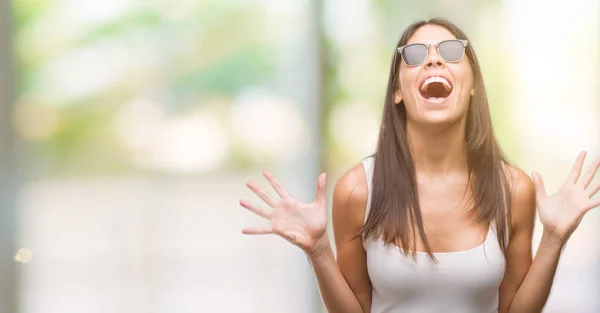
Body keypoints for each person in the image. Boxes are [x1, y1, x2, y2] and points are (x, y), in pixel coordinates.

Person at [239, 17, 600, 313]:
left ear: (472, 83)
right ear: (398, 91)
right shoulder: (357, 190)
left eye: (451, 51)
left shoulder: (513, 189)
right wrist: (318, 251)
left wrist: (554, 239)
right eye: (414, 54)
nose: (433, 59)